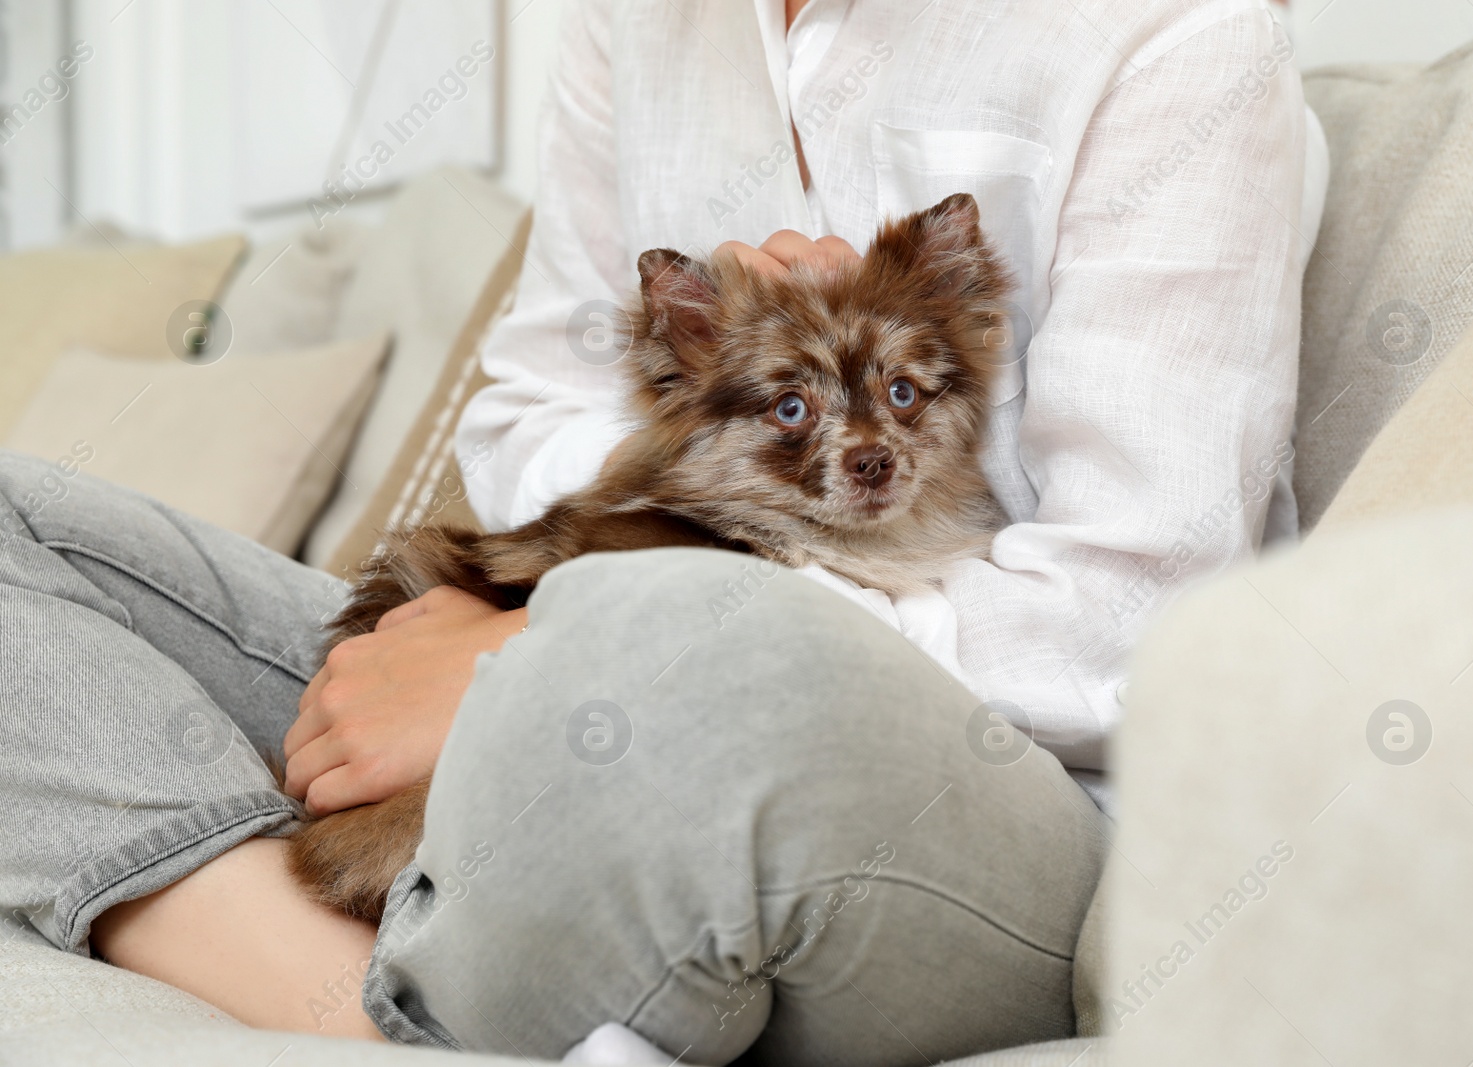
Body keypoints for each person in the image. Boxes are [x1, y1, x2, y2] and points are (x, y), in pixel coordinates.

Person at [0, 1, 1324, 1062]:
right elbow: (527, 415)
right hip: (557, 641)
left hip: (968, 777)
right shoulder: (639, 25)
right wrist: (659, 511)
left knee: (690, 674)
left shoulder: (1174, 36)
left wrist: (540, 671)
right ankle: (324, 984)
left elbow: (1140, 631)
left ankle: (417, 932)